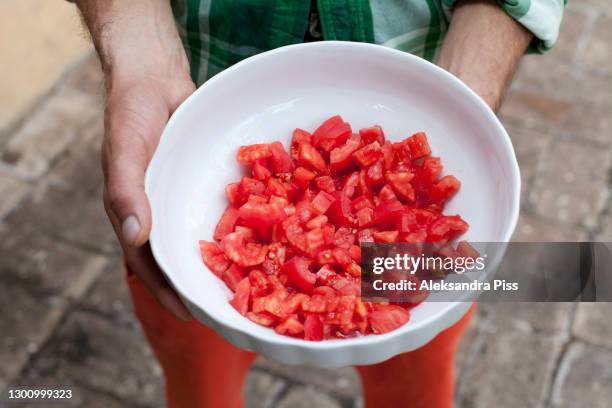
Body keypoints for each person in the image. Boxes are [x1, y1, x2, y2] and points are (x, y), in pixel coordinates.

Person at [72, 1, 565, 407]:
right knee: (198, 380)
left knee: (415, 389)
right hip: (180, 115)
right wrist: (139, 54)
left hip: (435, 73)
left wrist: (463, 97)